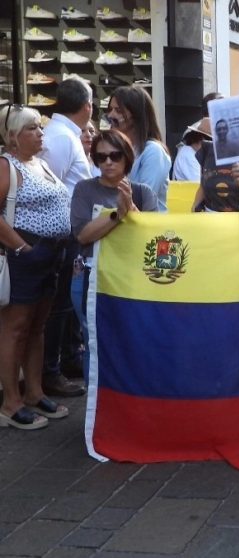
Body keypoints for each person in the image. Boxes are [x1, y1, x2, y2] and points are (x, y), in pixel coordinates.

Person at [0, 104, 72, 430]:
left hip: (50, 255)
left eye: (39, 127)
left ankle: (34, 391)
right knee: (16, 328)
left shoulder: (41, 164)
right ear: (13, 137)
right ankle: (11, 402)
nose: (40, 133)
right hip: (25, 256)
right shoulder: (6, 165)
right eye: (32, 128)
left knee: (38, 327)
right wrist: (23, 247)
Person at [70, 129, 160, 382]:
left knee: (133, 341)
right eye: (101, 157)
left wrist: (130, 207)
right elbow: (83, 236)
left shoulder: (143, 192)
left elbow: (151, 239)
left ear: (126, 157)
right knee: (95, 344)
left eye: (115, 155)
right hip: (91, 277)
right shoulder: (85, 189)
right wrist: (117, 214)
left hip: (131, 280)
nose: (108, 162)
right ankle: (94, 413)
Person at [37, 75, 92, 398]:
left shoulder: (65, 135)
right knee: (59, 305)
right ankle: (51, 370)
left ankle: (67, 360)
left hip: (71, 232)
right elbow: (51, 189)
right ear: (86, 107)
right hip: (62, 234)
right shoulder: (61, 137)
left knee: (69, 303)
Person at [106, 86, 171, 211]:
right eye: (110, 109)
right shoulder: (115, 151)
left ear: (136, 115)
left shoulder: (153, 151)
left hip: (146, 227)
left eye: (118, 110)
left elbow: (144, 199)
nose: (110, 115)